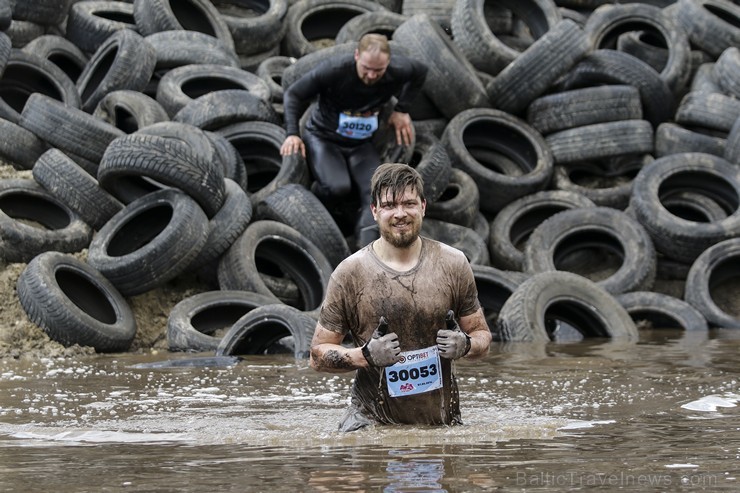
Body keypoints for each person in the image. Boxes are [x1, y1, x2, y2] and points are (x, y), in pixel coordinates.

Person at [309, 162, 492, 431]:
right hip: (370, 424)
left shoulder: (454, 264)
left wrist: (465, 345)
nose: (400, 214)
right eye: (389, 205)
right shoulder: (350, 273)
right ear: (374, 211)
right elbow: (317, 356)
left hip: (441, 424)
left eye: (408, 203)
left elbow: (483, 338)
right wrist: (365, 356)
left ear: (423, 207)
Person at [280, 33, 428, 249]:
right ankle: (317, 206)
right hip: (324, 137)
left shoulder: (398, 69)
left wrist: (402, 109)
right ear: (357, 56)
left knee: (378, 192)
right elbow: (293, 93)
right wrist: (292, 133)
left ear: (388, 63)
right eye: (366, 68)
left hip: (360, 143)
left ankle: (365, 253)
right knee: (338, 187)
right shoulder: (334, 70)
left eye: (378, 70)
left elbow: (420, 72)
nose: (371, 75)